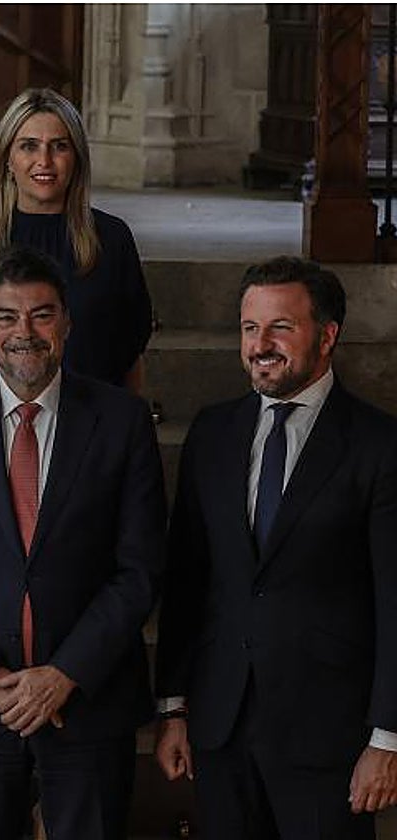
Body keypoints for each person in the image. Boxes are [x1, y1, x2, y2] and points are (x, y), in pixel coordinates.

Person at [0, 245, 166, 839]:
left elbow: (140, 569)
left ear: (67, 322)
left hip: (87, 705)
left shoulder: (121, 422)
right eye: (8, 316)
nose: (26, 332)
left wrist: (64, 673)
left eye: (42, 314)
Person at [154, 257, 397, 837]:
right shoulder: (212, 434)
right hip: (221, 725)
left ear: (327, 335)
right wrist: (174, 707)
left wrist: (386, 737)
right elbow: (187, 581)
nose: (260, 344)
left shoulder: (379, 445)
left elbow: (396, 601)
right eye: (248, 328)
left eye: (280, 328)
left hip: (328, 736)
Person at [0, 87, 152, 394]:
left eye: (59, 146)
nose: (44, 160)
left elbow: (129, 353)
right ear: (7, 159)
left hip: (86, 426)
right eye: (29, 146)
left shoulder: (110, 238)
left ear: (77, 159)